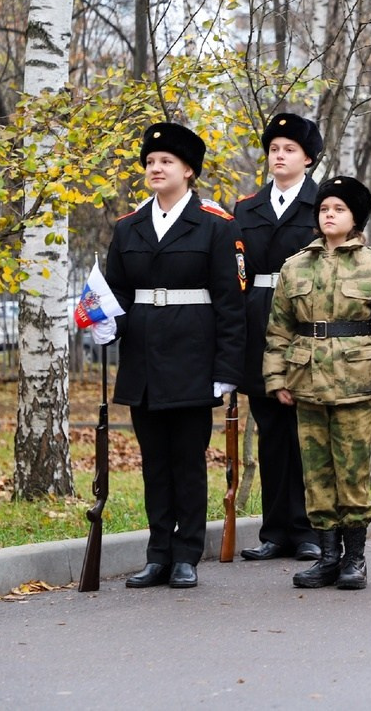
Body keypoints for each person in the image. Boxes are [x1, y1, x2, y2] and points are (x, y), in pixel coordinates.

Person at [93, 122, 247, 589]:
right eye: (150, 162)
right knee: (153, 462)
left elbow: (231, 305)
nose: (155, 168)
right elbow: (117, 292)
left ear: (189, 171)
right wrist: (105, 323)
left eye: (166, 162)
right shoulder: (129, 227)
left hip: (193, 358)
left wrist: (226, 372)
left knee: (187, 461)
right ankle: (157, 552)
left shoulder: (217, 225)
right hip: (143, 360)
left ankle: (186, 555)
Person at [264, 176, 371, 591]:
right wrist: (276, 377)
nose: (329, 216)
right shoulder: (296, 265)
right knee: (316, 475)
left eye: (339, 210)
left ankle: (355, 558)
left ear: (355, 218)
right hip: (306, 381)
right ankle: (328, 557)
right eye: (324, 209)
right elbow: (279, 328)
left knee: (351, 473)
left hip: (355, 384)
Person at [233, 113, 323, 562]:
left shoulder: (322, 205)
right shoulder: (246, 209)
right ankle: (274, 531)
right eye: (274, 149)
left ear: (308, 158)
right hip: (259, 325)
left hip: (307, 327)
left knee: (303, 431)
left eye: (289, 149)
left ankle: (307, 529)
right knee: (270, 430)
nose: (280, 156)